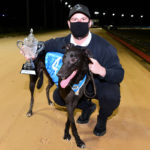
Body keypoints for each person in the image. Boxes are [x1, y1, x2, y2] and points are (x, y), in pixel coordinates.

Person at [20, 4, 124, 136]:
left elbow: (119, 74)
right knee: (58, 97)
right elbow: (41, 46)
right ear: (69, 24)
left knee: (111, 96)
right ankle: (87, 107)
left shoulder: (104, 47)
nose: (78, 22)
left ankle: (102, 119)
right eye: (74, 20)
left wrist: (102, 70)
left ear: (90, 23)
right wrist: (30, 50)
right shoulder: (60, 43)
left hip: (97, 85)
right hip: (75, 85)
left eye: (83, 19)